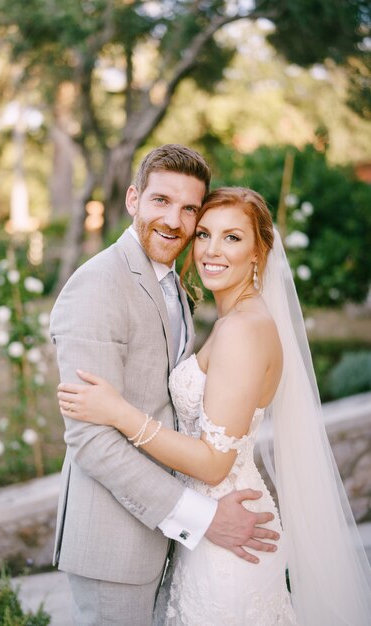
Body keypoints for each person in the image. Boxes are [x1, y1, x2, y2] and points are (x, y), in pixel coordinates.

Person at [58, 186, 371, 625]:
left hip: (228, 537)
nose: (211, 250)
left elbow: (213, 464)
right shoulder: (236, 318)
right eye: (204, 234)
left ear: (260, 251)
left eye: (232, 238)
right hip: (208, 531)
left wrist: (118, 413)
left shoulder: (244, 330)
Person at [50, 149, 279, 626]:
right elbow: (90, 439)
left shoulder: (176, 285)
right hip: (118, 544)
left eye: (189, 209)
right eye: (161, 200)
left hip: (176, 532)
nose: (174, 220)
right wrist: (202, 516)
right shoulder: (97, 286)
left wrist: (198, 518)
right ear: (134, 198)